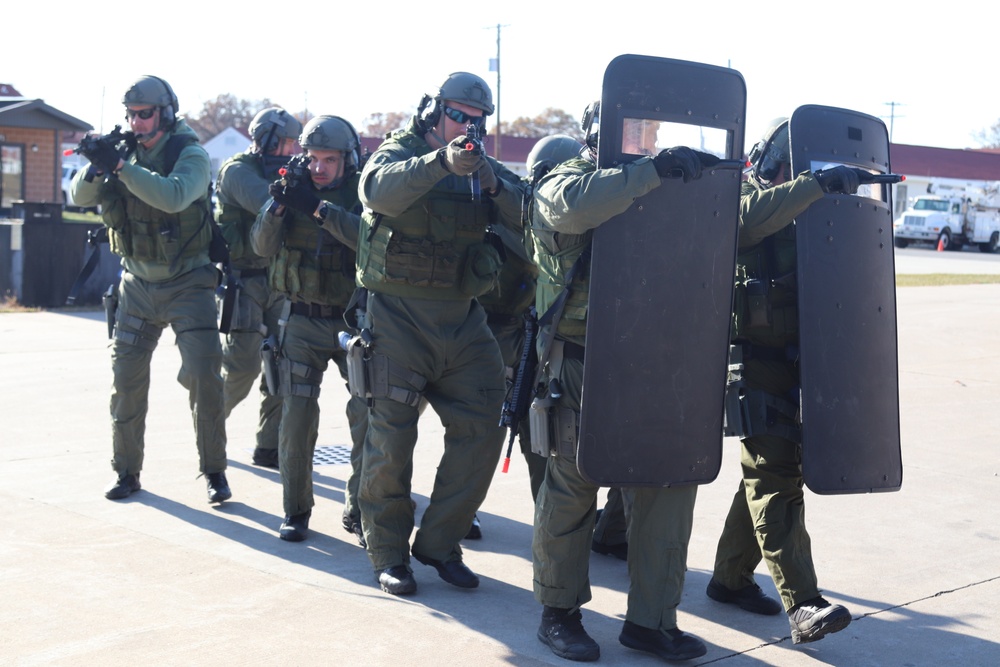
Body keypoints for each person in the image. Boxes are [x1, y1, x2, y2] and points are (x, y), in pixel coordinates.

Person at [529, 101, 710, 662]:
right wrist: (653, 172)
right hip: (583, 359)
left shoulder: (661, 181)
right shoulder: (568, 178)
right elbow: (569, 208)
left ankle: (651, 620)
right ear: (600, 132)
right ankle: (558, 614)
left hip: (657, 365)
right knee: (573, 487)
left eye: (655, 130)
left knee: (666, 485)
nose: (651, 139)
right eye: (640, 128)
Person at [354, 72, 525, 596]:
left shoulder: (481, 167)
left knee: (486, 422)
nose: (466, 127)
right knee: (390, 440)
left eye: (477, 120)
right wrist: (440, 163)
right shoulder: (400, 150)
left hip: (463, 317)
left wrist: (494, 182)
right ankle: (388, 553)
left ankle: (439, 543)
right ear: (433, 111)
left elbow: (534, 217)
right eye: (457, 115)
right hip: (397, 317)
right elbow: (375, 192)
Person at [707, 117, 858, 643]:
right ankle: (804, 604)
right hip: (753, 357)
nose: (800, 175)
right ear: (772, 160)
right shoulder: (740, 195)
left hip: (808, 356)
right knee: (776, 473)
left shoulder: (816, 205)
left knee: (765, 471)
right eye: (793, 166)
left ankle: (728, 578)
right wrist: (818, 184)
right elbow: (745, 224)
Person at [70, 75, 230, 503]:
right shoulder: (123, 152)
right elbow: (78, 196)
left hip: (189, 283)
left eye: (144, 114)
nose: (136, 123)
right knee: (126, 381)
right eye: (131, 115)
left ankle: (214, 471)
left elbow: (175, 196)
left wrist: (121, 167)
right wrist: (96, 162)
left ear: (165, 112)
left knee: (204, 377)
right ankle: (126, 472)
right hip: (136, 284)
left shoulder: (189, 153)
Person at [250, 115, 369, 543]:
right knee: (296, 420)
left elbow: (369, 240)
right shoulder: (294, 189)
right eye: (313, 158)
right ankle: (295, 511)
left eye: (329, 160)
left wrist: (319, 209)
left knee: (367, 419)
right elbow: (260, 246)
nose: (318, 168)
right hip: (300, 321)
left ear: (348, 160)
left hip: (351, 322)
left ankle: (359, 509)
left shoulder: (361, 192)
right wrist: (279, 204)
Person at [215, 107, 302, 469]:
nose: (292, 149)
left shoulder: (284, 171)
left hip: (279, 281)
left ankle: (268, 446)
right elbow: (268, 202)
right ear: (265, 139)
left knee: (282, 368)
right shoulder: (237, 171)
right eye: (286, 142)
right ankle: (209, 429)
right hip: (244, 281)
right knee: (242, 366)